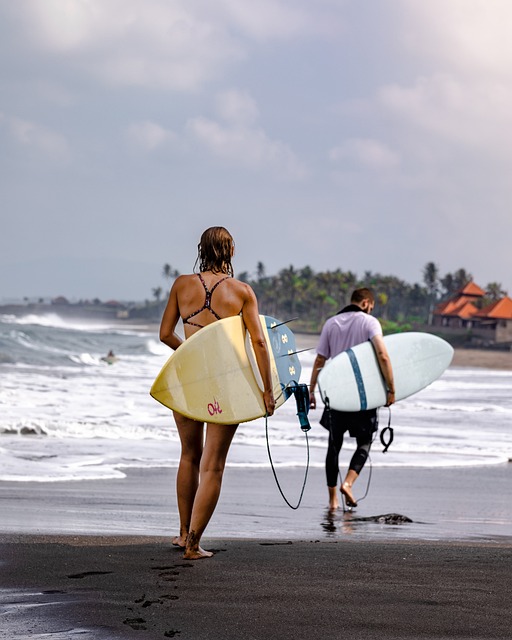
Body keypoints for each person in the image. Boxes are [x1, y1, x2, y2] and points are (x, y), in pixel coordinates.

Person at [159, 226, 275, 559]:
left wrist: (191, 356)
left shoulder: (182, 285)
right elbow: (259, 341)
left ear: (201, 249)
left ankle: (183, 534)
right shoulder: (241, 292)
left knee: (188, 456)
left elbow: (166, 334)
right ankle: (194, 545)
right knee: (213, 466)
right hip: (223, 386)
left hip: (187, 382)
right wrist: (267, 391)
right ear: (231, 252)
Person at [309, 288, 395, 511]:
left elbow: (320, 359)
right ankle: (347, 483)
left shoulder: (331, 323)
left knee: (333, 446)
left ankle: (332, 501)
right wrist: (391, 389)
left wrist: (311, 390)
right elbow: (383, 355)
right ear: (366, 303)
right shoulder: (370, 323)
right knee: (364, 442)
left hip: (337, 395)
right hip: (363, 396)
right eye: (371, 307)